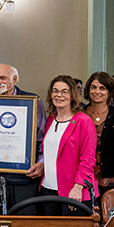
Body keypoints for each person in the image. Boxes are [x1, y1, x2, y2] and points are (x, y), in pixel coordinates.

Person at [0, 64, 47, 215]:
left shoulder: (32, 101)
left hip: (24, 178)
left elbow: (42, 138)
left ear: (14, 79)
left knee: (24, 226)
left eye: (3, 78)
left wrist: (42, 162)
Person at [29, 76, 98, 215]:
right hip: (47, 190)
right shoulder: (50, 119)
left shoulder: (84, 121)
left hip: (74, 192)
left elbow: (88, 159)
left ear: (72, 95)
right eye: (55, 91)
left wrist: (78, 187)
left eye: (64, 91)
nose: (59, 95)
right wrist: (43, 164)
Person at [82, 72, 114, 200]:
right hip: (83, 178)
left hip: (109, 180)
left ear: (110, 91)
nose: (97, 91)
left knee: (107, 217)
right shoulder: (79, 114)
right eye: (93, 87)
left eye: (102, 88)